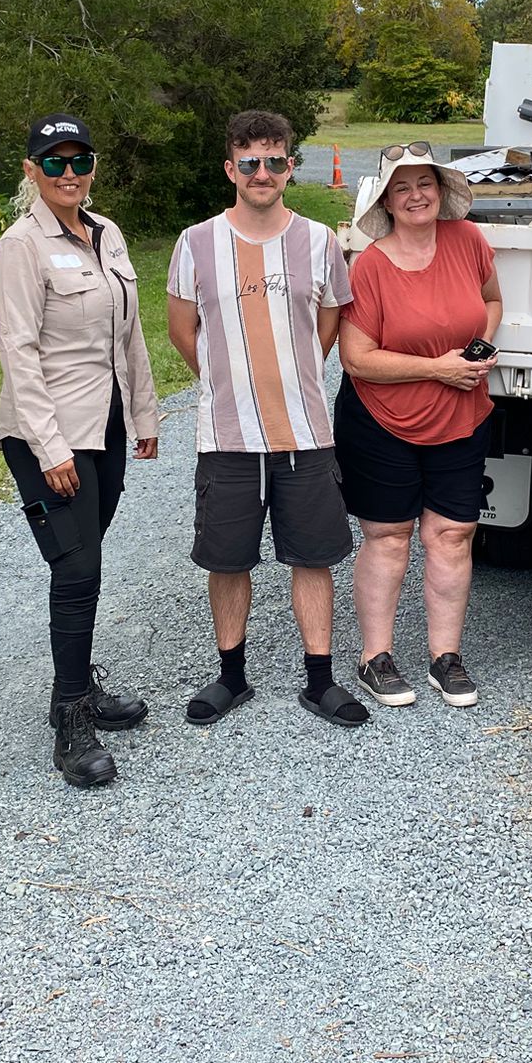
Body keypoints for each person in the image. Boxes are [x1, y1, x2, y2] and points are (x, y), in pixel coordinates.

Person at [166, 109, 367, 729]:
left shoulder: (319, 241)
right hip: (227, 439)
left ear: (288, 167)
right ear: (230, 168)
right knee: (228, 561)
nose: (262, 172)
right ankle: (231, 677)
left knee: (313, 557)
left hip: (305, 435)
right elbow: (182, 330)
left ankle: (319, 680)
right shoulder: (196, 242)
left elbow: (326, 326)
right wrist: (233, 384)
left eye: (274, 160)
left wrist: (288, 375)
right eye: (249, 161)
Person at [0, 114, 160, 789]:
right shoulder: (20, 247)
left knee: (84, 563)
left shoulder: (109, 233)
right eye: (53, 163)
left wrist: (144, 413)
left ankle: (80, 688)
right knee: (77, 571)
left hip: (108, 427)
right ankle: (70, 719)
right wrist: (48, 444)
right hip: (49, 437)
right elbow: (18, 353)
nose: (69, 174)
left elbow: (131, 335)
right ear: (31, 170)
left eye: (79, 160)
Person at [337, 142, 501, 710]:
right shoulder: (371, 264)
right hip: (382, 421)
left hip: (461, 414)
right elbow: (356, 358)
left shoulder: (469, 241)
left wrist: (481, 351)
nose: (416, 195)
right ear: (386, 198)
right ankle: (374, 658)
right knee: (388, 536)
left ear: (441, 189)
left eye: (425, 183)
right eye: (401, 186)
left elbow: (491, 300)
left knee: (452, 534)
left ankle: (445, 658)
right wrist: (439, 368)